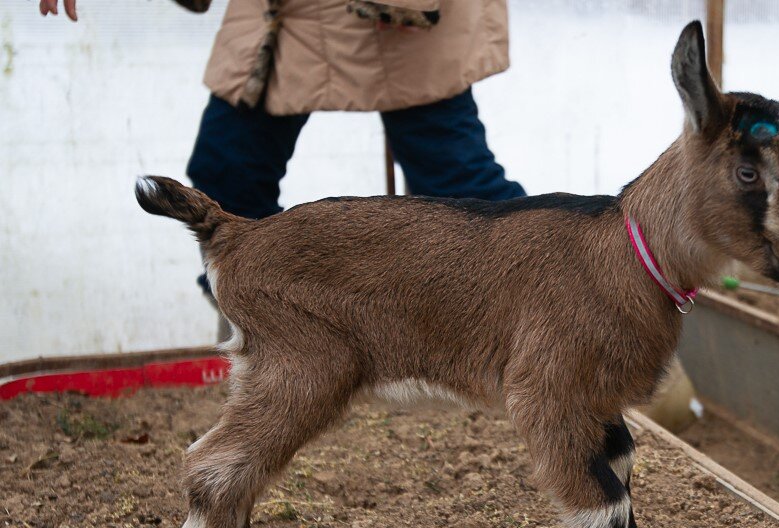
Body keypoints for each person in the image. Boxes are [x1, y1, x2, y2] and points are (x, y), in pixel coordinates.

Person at [42, 0, 525, 302]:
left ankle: (575, 330)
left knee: (466, 194)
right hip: (281, 15)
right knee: (225, 179)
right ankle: (271, 330)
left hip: (399, 17)